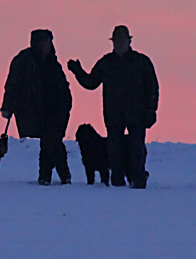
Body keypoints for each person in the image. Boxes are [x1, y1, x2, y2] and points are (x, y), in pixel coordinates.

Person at [67, 25, 158, 189]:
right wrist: (78, 71)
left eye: (123, 40)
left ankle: (138, 181)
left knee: (136, 149)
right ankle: (117, 183)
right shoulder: (106, 63)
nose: (119, 44)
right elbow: (91, 83)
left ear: (129, 41)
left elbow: (152, 88)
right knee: (114, 151)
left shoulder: (142, 62)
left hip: (138, 115)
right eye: (117, 41)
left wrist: (151, 111)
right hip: (113, 116)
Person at [1, 29, 73, 185]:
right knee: (51, 141)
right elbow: (13, 85)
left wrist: (67, 103)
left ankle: (47, 176)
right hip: (35, 109)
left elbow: (62, 85)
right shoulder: (24, 61)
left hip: (56, 110)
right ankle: (61, 174)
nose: (47, 45)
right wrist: (7, 106)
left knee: (50, 141)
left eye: (48, 42)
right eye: (43, 42)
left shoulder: (53, 63)